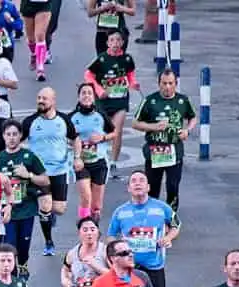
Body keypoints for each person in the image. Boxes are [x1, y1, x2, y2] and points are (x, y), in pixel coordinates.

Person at [106, 170, 178, 287]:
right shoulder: (120, 212)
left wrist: (168, 238)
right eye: (133, 181)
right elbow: (111, 236)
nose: (137, 183)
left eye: (141, 180)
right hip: (130, 267)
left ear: (148, 187)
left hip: (154, 265)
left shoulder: (162, 208)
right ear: (128, 188)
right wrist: (115, 253)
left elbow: (176, 225)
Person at [131, 69, 197, 221]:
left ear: (175, 84)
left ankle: (171, 218)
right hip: (155, 150)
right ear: (158, 84)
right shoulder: (150, 101)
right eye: (164, 83)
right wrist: (153, 127)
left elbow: (192, 117)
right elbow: (135, 123)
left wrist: (187, 130)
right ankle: (151, 216)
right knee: (153, 187)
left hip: (174, 150)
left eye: (170, 84)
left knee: (173, 186)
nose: (167, 87)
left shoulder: (182, 101)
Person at [22, 87, 79, 256]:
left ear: (53, 101)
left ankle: (49, 214)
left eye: (44, 98)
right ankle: (49, 242)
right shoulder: (30, 122)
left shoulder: (64, 120)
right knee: (45, 205)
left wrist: (77, 157)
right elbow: (17, 141)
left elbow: (75, 139)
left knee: (59, 209)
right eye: (39, 97)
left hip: (60, 170)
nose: (41, 101)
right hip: (39, 173)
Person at [0, 120, 50, 271]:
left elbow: (45, 180)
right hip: (8, 211)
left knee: (23, 247)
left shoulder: (29, 156)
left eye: (15, 134)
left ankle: (23, 269)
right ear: (3, 136)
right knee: (9, 246)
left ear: (20, 136)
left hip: (26, 209)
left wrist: (29, 175)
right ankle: (11, 276)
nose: (12, 138)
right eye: (8, 134)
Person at [84, 30, 137, 176]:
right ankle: (97, 158)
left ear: (122, 43)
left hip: (120, 100)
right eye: (112, 40)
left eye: (118, 40)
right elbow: (88, 75)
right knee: (100, 130)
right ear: (107, 43)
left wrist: (133, 84)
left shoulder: (127, 59)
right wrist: (99, 89)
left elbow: (130, 75)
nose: (115, 43)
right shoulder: (101, 59)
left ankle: (113, 161)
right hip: (103, 101)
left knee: (117, 130)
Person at [69, 83, 116, 219]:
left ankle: (93, 228)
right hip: (81, 163)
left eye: (89, 93)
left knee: (96, 205)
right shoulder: (71, 117)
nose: (86, 96)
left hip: (99, 162)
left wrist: (103, 137)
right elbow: (63, 136)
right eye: (83, 93)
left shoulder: (100, 115)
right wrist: (72, 141)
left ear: (94, 98)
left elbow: (114, 133)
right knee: (85, 196)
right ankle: (84, 225)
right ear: (79, 97)